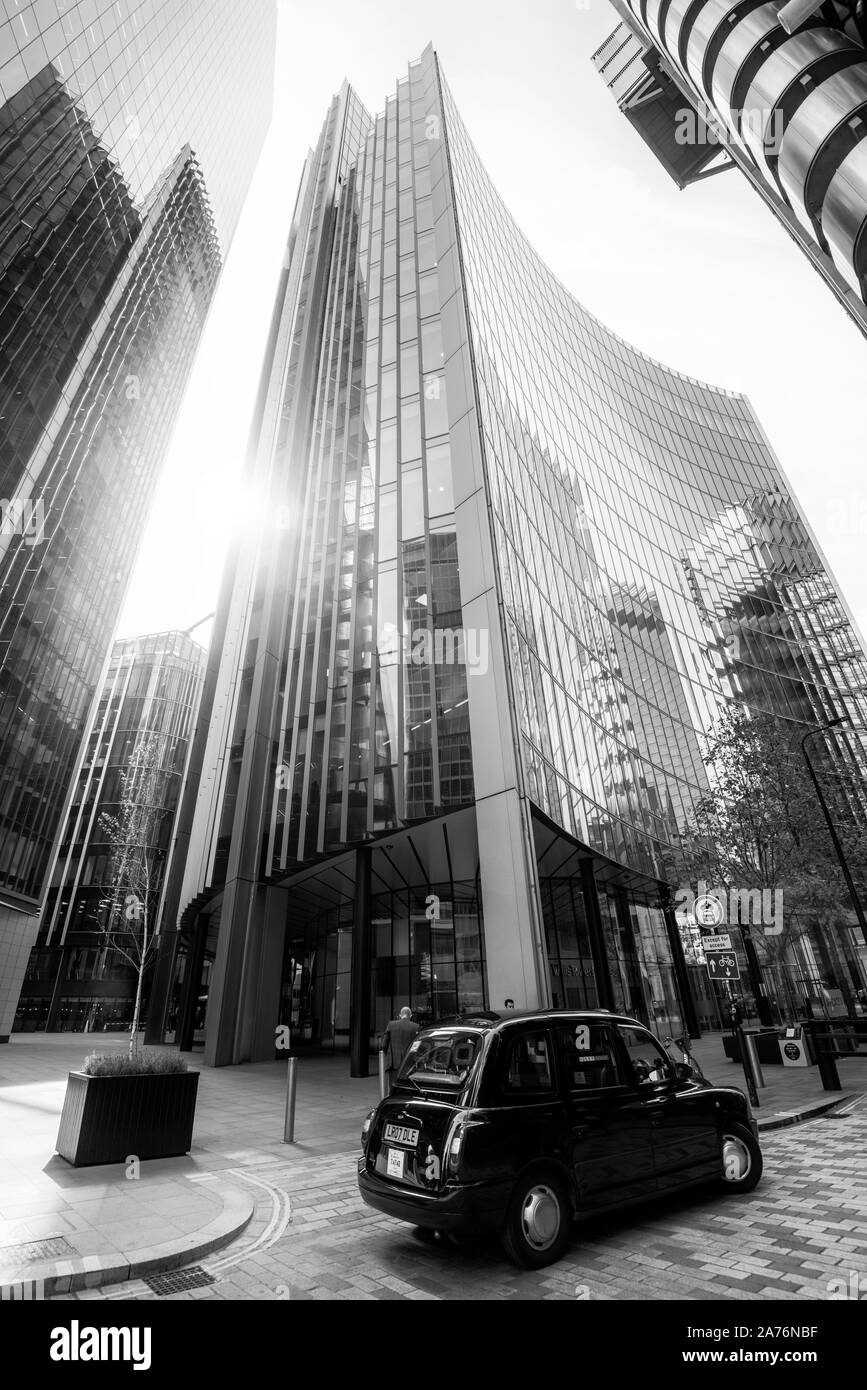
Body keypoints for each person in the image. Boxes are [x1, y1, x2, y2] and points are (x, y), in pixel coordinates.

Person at [381, 1006, 419, 1089]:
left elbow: (383, 1045)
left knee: (393, 1087)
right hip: (408, 1064)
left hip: (393, 1063)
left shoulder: (391, 1025)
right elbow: (416, 1047)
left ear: (400, 1015)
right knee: (407, 1087)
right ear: (411, 1016)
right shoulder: (416, 1027)